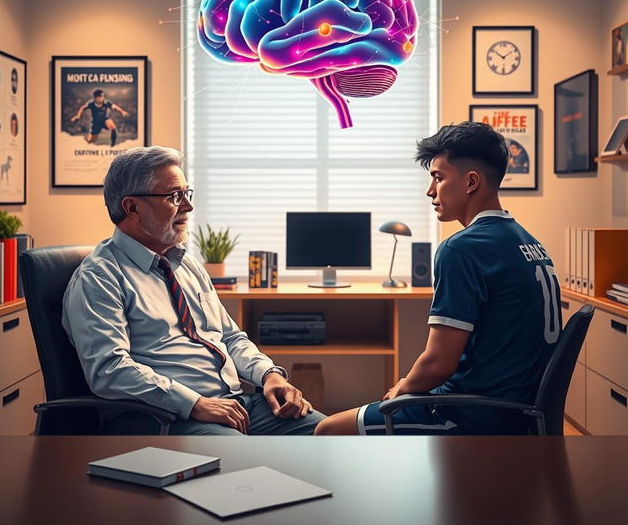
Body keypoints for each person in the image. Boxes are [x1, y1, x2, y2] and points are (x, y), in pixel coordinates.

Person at [315, 121, 561, 436]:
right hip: (519, 411)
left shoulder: (461, 249)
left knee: (328, 429)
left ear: (471, 181)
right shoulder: (529, 242)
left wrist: (402, 388)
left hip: (472, 413)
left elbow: (437, 364)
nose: (430, 190)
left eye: (438, 177)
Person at [63, 146, 326, 435]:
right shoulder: (99, 277)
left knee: (329, 434)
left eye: (188, 194)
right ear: (132, 207)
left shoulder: (185, 262)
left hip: (234, 403)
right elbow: (108, 370)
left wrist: (270, 375)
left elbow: (229, 337)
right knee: (244, 462)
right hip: (165, 416)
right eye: (174, 196)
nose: (187, 207)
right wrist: (194, 403)